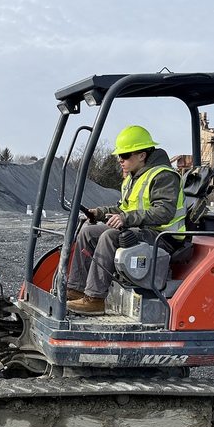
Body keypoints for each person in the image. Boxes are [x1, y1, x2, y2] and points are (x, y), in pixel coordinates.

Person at [66, 125, 186, 315]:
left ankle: (95, 299)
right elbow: (124, 209)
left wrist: (125, 219)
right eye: (119, 156)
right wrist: (99, 213)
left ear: (142, 155)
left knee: (110, 237)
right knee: (87, 232)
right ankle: (76, 290)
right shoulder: (133, 178)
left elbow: (164, 213)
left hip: (164, 236)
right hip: (143, 230)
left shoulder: (163, 176)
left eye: (126, 155)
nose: (120, 160)